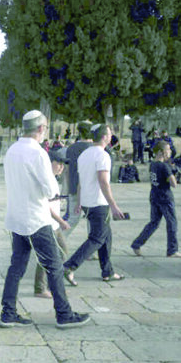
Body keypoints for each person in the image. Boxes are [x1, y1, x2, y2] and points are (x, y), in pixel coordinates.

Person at [0, 109, 90, 329]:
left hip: (16, 218)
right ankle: (64, 314)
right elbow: (51, 190)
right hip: (35, 220)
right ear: (41, 128)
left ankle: (8, 312)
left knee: (17, 267)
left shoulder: (12, 150)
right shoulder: (38, 153)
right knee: (55, 265)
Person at [63, 124, 126, 285]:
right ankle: (69, 266)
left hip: (87, 203)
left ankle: (108, 271)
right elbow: (104, 182)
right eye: (110, 133)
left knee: (106, 235)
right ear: (104, 137)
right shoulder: (102, 156)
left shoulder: (85, 154)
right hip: (99, 203)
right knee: (97, 238)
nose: (111, 136)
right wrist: (113, 206)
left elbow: (80, 180)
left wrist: (79, 201)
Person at [131, 140, 180, 258]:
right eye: (168, 149)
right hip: (165, 198)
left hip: (154, 196)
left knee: (153, 223)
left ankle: (137, 244)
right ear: (161, 152)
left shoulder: (153, 164)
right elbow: (174, 184)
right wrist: (174, 172)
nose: (170, 152)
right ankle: (172, 250)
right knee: (172, 223)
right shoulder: (164, 166)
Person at [33, 149, 71, 299]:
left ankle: (51, 285)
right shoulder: (46, 180)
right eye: (58, 164)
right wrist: (61, 221)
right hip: (48, 224)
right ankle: (41, 288)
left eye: (63, 165)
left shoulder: (54, 179)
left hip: (54, 225)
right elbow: (46, 206)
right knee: (48, 256)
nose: (61, 167)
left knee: (61, 253)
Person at [64, 121, 93, 228]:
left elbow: (67, 170)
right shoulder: (93, 148)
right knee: (92, 221)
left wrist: (69, 188)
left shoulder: (71, 148)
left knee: (72, 219)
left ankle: (59, 240)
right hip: (90, 190)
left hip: (73, 187)